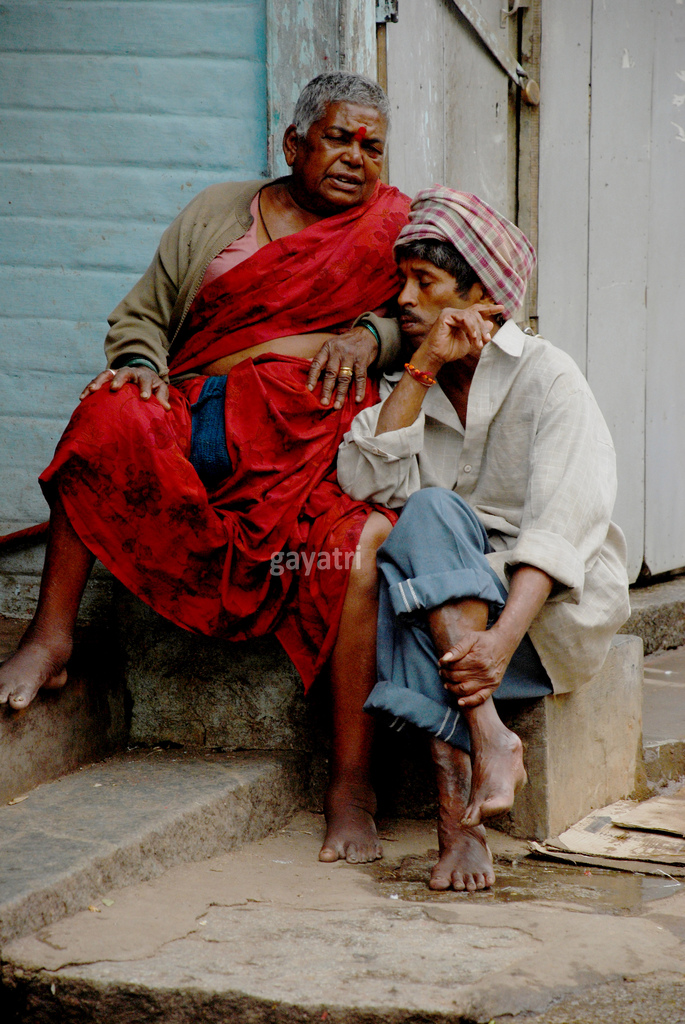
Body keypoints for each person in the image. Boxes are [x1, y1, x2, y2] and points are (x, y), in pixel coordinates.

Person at [0, 72, 411, 865]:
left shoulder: (392, 229)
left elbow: (433, 306)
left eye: (373, 146)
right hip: (199, 427)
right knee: (109, 410)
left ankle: (351, 782)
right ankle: (51, 638)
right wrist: (138, 365)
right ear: (293, 145)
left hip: (309, 452)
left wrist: (372, 337)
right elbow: (142, 317)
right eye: (338, 138)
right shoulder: (221, 211)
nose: (356, 158)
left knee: (355, 551)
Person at [337, 186, 630, 891]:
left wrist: (497, 646)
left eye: (425, 283)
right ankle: (486, 742)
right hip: (461, 613)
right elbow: (360, 477)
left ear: (481, 297)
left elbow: (564, 524)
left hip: (541, 618)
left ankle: (458, 823)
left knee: (417, 587)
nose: (404, 298)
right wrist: (422, 369)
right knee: (428, 518)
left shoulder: (547, 377)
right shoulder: (414, 379)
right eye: (401, 280)